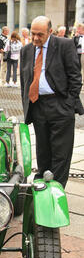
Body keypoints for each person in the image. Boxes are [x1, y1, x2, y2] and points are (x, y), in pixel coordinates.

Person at [20, 15, 84, 188]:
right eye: (33, 34)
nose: (35, 38)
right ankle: (41, 185)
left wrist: (68, 104)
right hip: (38, 105)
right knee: (43, 150)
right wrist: (28, 105)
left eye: (40, 34)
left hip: (60, 105)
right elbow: (24, 81)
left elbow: (75, 77)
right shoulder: (26, 50)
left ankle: (56, 190)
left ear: (50, 32)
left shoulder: (64, 45)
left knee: (61, 152)